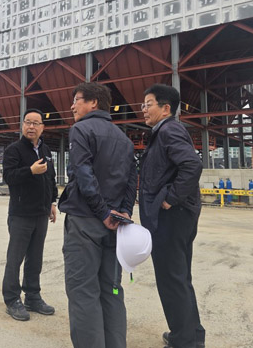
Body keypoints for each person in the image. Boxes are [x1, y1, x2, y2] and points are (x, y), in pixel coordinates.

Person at [59, 82, 137, 348]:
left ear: (93, 102)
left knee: (83, 291)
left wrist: (103, 211)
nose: (72, 106)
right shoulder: (123, 138)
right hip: (115, 226)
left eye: (76, 100)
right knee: (112, 290)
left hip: (86, 222)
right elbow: (132, 179)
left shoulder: (81, 129)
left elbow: (84, 174)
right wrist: (124, 211)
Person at [138, 84, 205, 348]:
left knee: (171, 279)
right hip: (177, 216)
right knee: (179, 277)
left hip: (172, 217)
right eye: (143, 105)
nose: (144, 109)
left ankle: (183, 340)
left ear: (165, 108)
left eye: (149, 104)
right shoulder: (164, 131)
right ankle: (191, 335)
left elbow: (192, 165)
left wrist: (169, 199)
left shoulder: (169, 130)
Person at [2, 109, 58, 321]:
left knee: (35, 258)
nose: (31, 127)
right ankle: (11, 299)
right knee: (15, 258)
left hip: (41, 213)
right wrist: (30, 171)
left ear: (42, 127)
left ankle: (33, 296)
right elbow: (9, 177)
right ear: (22, 125)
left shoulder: (46, 150)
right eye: (28, 122)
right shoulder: (14, 150)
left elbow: (51, 178)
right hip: (21, 214)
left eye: (36, 123)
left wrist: (52, 202)